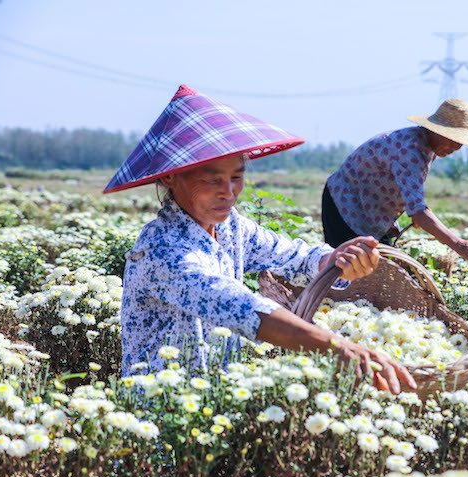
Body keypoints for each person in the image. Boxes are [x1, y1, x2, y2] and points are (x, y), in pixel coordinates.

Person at [106, 85, 415, 395]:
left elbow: (292, 256)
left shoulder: (232, 229)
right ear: (172, 177)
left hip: (212, 403)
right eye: (213, 180)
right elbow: (243, 308)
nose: (228, 192)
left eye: (237, 177)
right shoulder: (162, 250)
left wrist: (334, 261)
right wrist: (337, 347)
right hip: (157, 413)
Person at [322, 98, 468, 259]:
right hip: (344, 204)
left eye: (461, 141)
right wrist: (458, 244)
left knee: (378, 273)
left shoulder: (428, 147)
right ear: (436, 130)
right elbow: (418, 212)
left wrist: (419, 217)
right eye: (453, 139)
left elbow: (408, 194)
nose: (456, 147)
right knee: (345, 272)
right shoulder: (410, 152)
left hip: (371, 212)